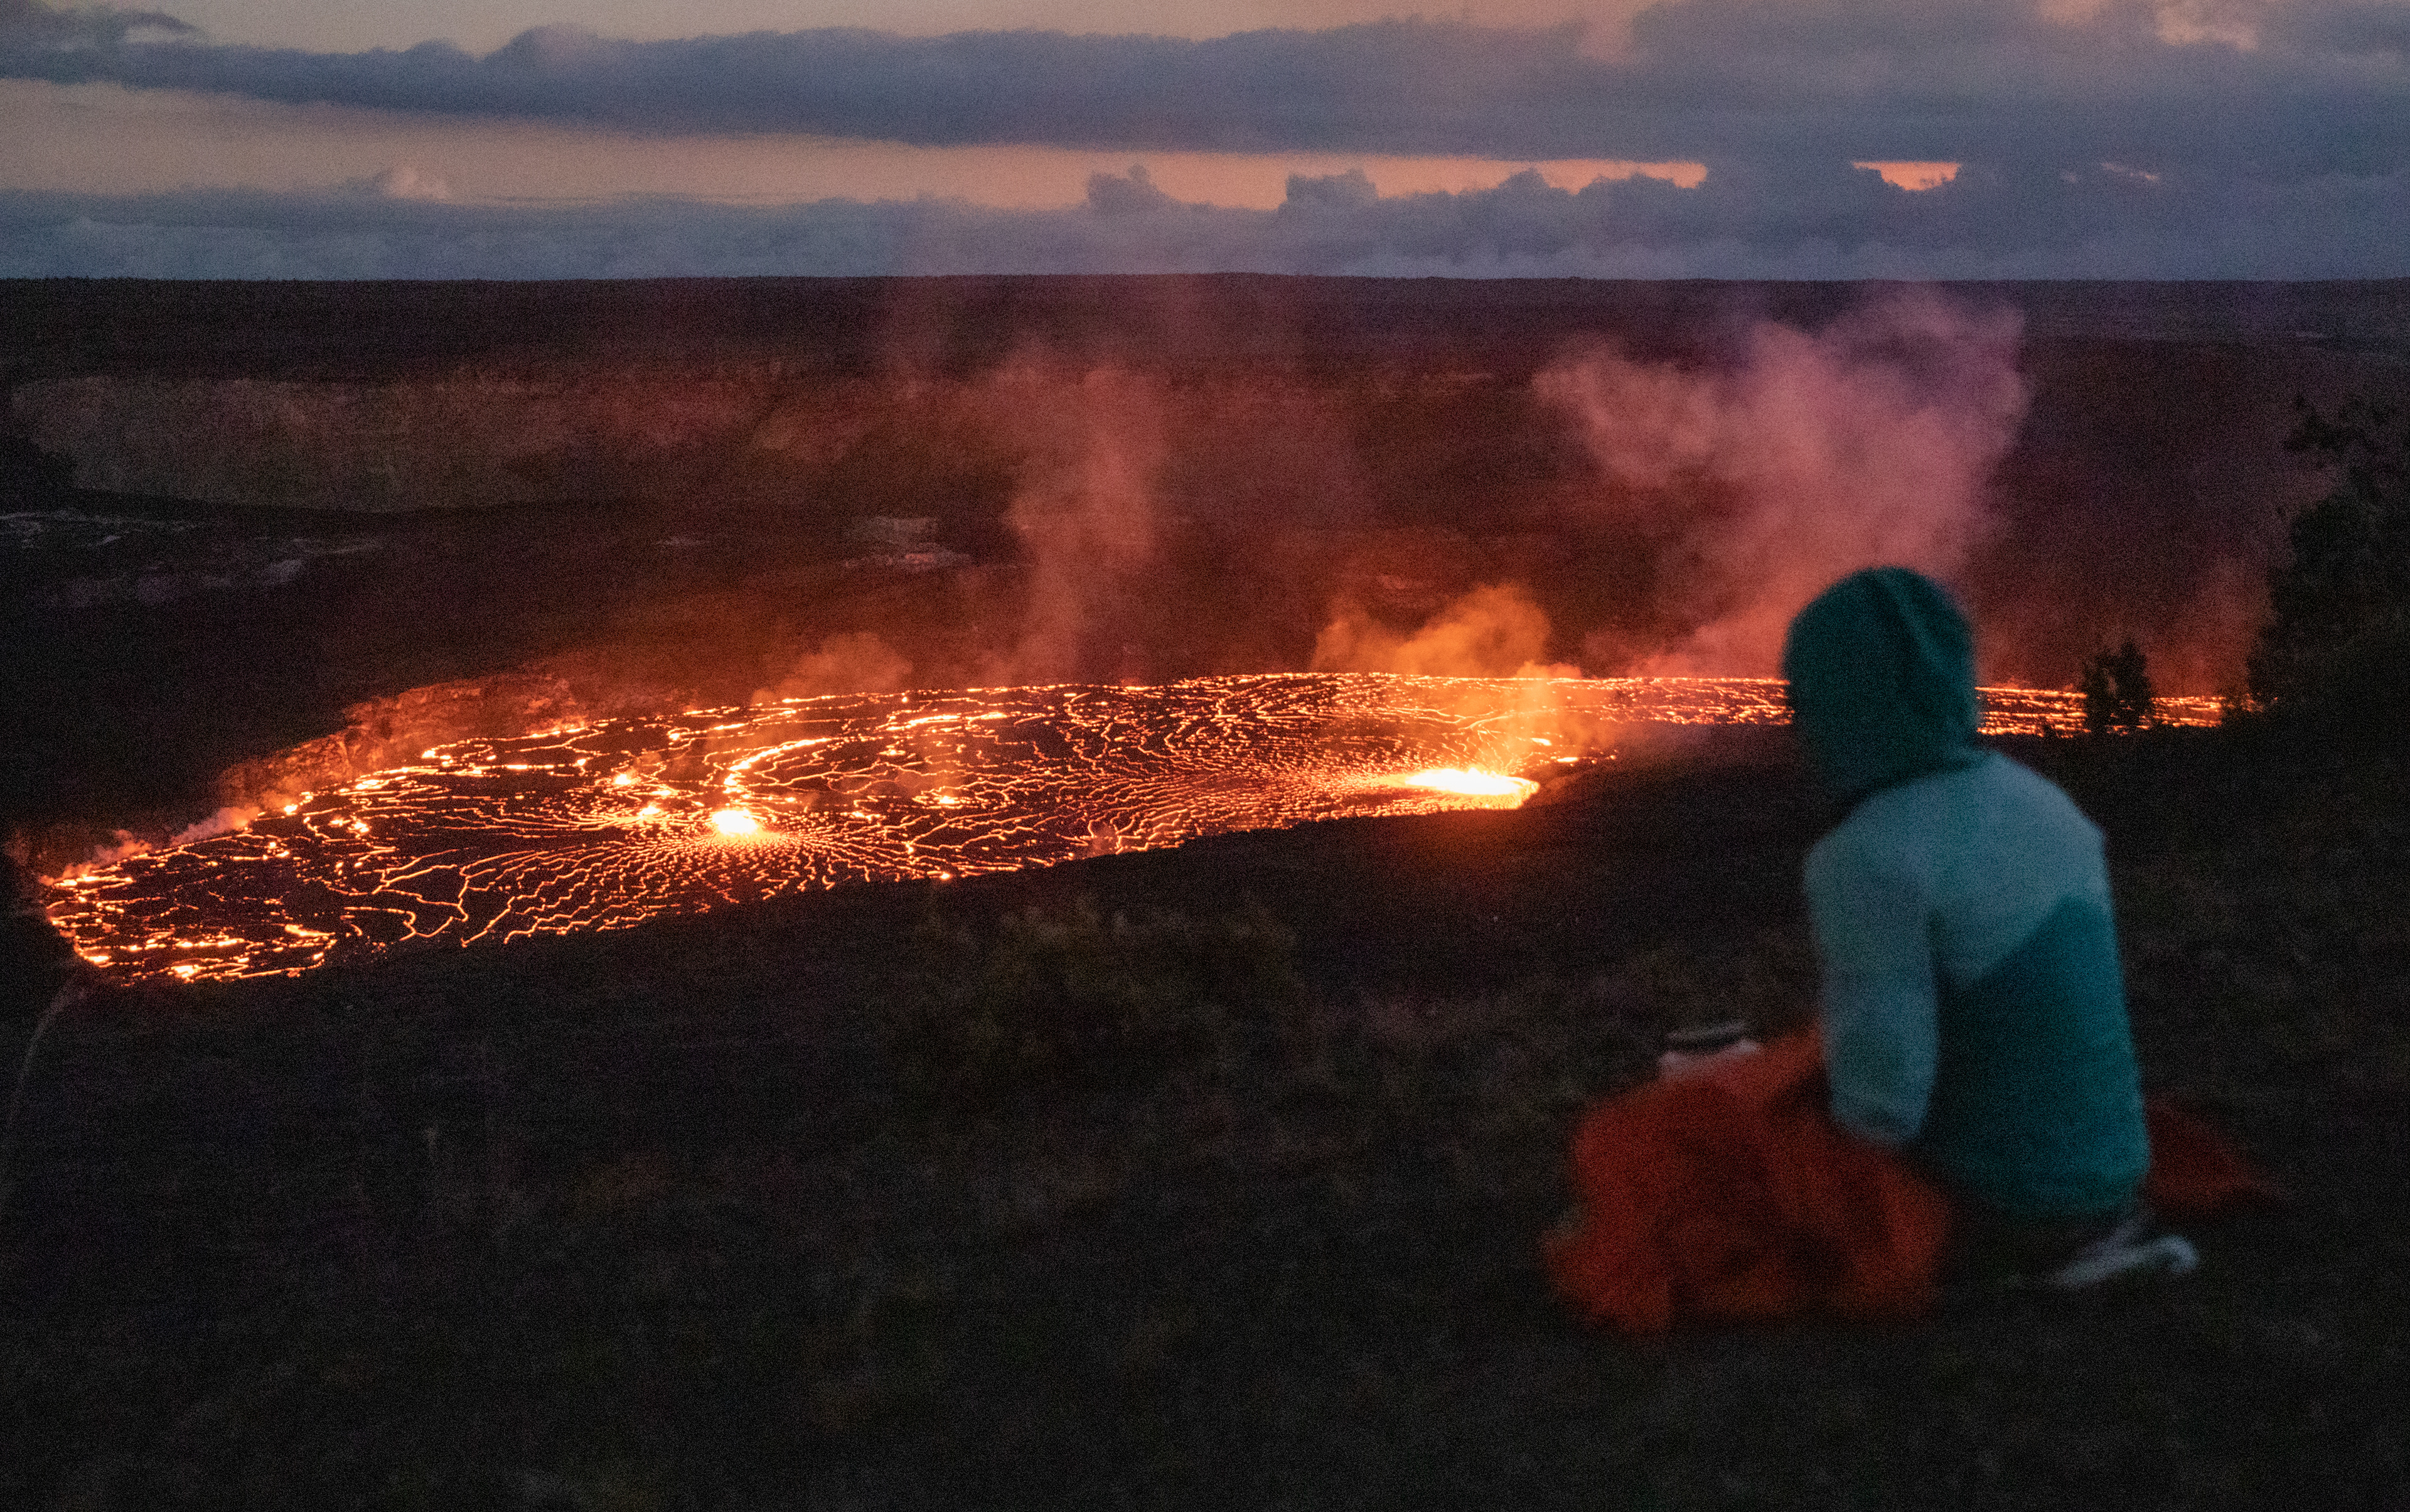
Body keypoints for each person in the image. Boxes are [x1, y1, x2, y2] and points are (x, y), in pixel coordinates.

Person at [1780, 567, 2197, 1290]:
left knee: (1680, 1148)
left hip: (2001, 1217)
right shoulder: (2046, 807)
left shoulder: (1866, 858)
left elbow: (1882, 1112)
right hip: (2115, 1184)